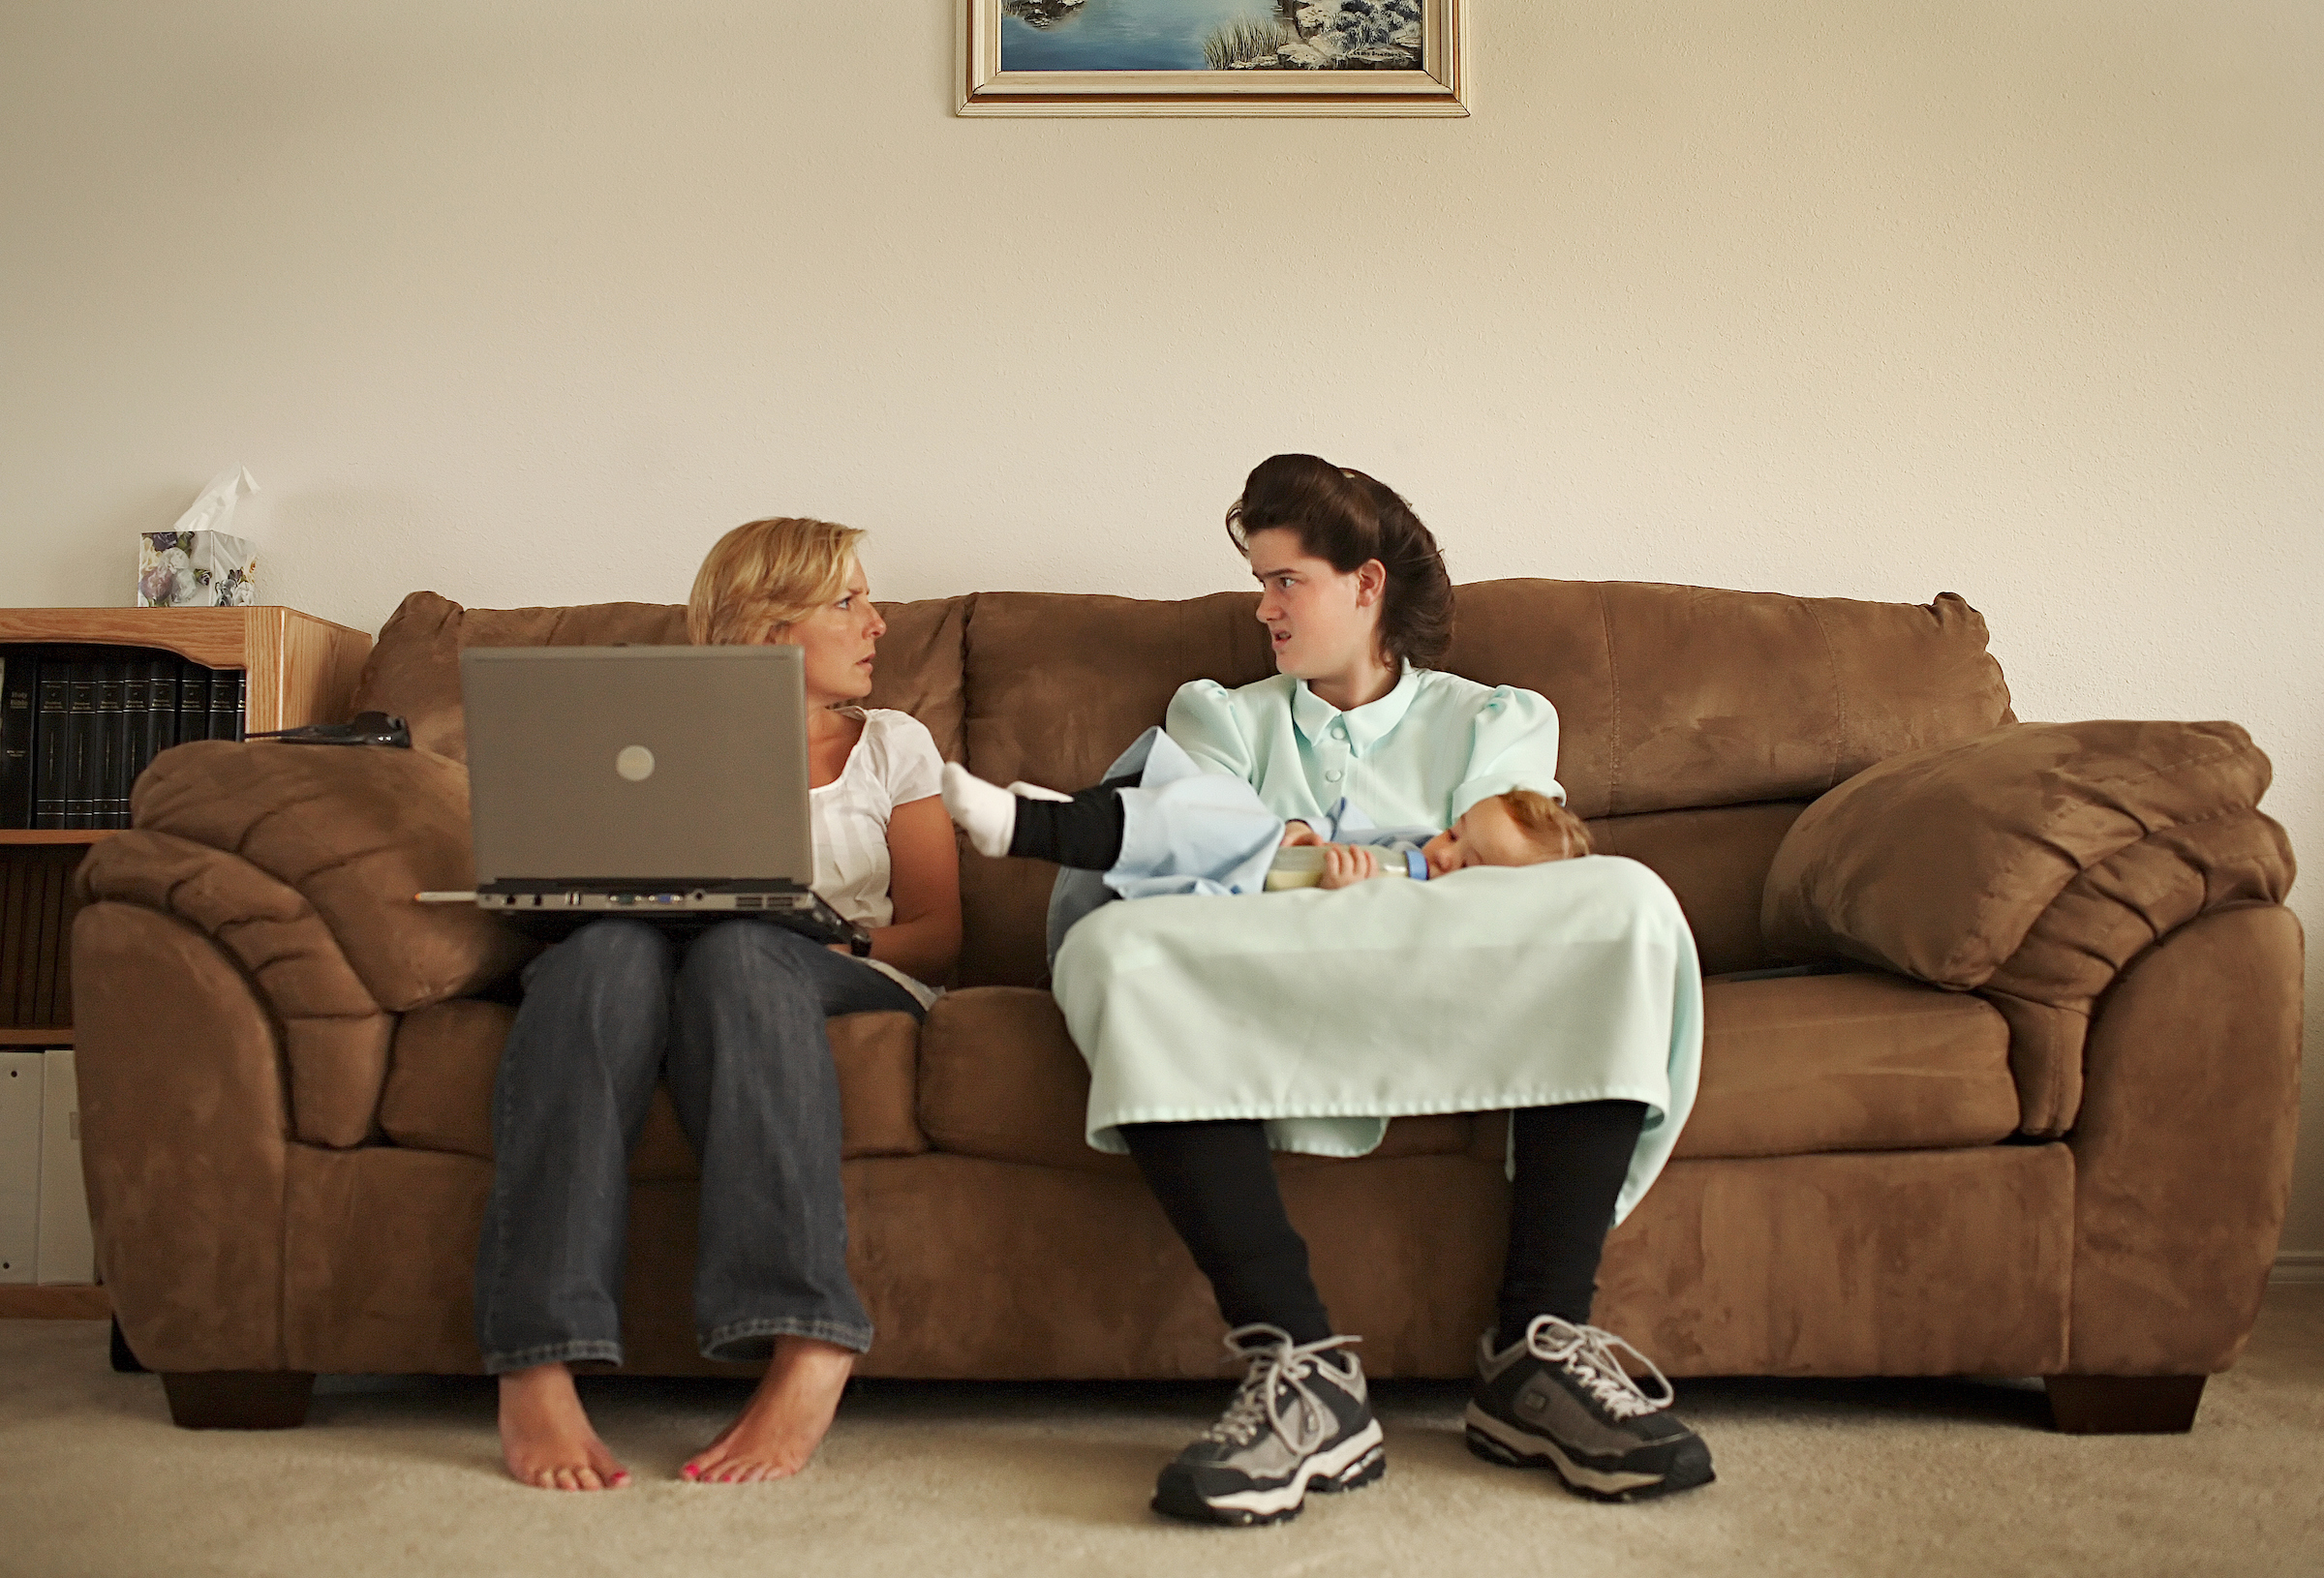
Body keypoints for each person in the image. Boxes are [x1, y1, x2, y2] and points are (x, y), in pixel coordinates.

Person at [948, 455, 1710, 1527]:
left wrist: (1372, 860)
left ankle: (1537, 1354)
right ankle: (1301, 1366)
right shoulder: (1218, 714)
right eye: (1259, 582)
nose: (1262, 608)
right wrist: (1278, 854)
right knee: (1115, 948)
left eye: (1285, 580)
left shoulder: (1496, 719)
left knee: (1626, 900)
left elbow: (1511, 860)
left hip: (1457, 973)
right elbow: (1194, 846)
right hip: (1266, 979)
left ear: (1367, 585)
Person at [476, 516, 960, 1491]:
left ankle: (810, 1338)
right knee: (603, 956)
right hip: (653, 955)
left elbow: (941, 930)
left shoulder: (894, 745)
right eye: (848, 601)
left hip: (835, 965)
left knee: (747, 949)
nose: (878, 621)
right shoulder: (643, 742)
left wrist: (834, 935)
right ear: (776, 631)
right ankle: (536, 1357)